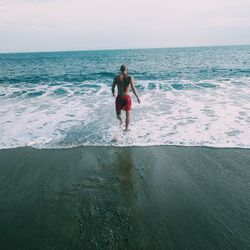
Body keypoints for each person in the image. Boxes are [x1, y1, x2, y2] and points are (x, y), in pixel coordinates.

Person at [112, 64, 140, 131]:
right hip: (127, 98)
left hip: (119, 97)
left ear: (120, 70)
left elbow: (112, 87)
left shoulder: (116, 77)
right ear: (126, 70)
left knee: (118, 114)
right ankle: (126, 129)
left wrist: (113, 93)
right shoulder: (129, 77)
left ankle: (121, 121)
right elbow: (133, 88)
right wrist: (137, 97)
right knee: (128, 115)